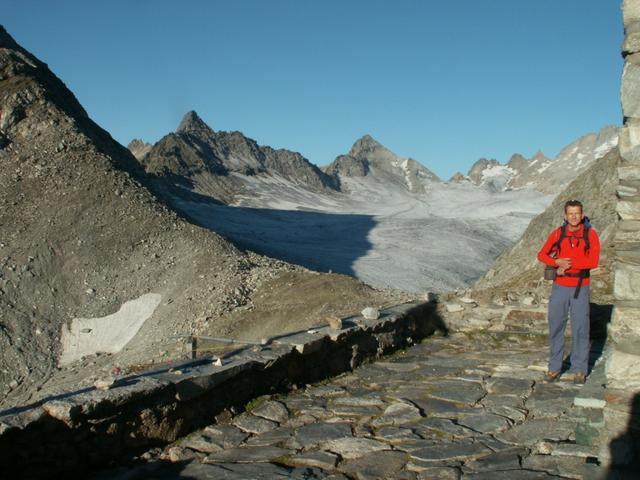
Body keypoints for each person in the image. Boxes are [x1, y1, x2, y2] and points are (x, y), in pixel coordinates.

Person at [537, 200, 600, 384]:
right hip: (560, 285)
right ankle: (554, 367)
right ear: (565, 215)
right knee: (556, 325)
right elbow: (541, 254)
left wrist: (568, 265)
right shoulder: (558, 233)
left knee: (581, 327)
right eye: (570, 213)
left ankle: (579, 369)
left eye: (577, 213)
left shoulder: (591, 234)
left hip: (581, 285)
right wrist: (557, 263)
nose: (573, 217)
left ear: (582, 214)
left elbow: (593, 261)